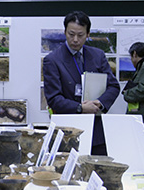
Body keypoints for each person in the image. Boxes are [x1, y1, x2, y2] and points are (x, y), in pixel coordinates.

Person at [43, 11, 120, 155]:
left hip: (96, 131)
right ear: (65, 32)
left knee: (97, 172)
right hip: (67, 132)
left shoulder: (98, 56)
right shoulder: (53, 60)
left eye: (80, 35)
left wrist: (99, 103)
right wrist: (80, 108)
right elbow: (53, 98)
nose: (75, 40)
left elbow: (113, 86)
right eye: (71, 34)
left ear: (88, 34)